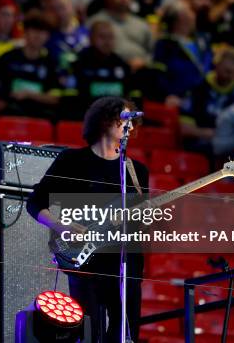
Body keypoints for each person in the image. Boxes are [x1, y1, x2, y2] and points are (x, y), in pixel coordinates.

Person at [27, 96, 148, 342]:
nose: (131, 127)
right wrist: (62, 227)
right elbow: (34, 202)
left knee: (124, 334)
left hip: (125, 265)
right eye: (125, 119)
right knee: (88, 334)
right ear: (105, 120)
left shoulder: (136, 171)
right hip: (85, 262)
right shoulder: (72, 161)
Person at [0, 10, 62, 119]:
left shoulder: (51, 63)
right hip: (10, 113)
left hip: (39, 116)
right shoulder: (8, 57)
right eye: (35, 30)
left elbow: (55, 98)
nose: (38, 35)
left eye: (43, 31)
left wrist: (28, 94)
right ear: (25, 32)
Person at [182, 48, 234, 154]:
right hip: (199, 147)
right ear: (216, 65)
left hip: (232, 149)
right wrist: (206, 133)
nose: (229, 76)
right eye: (227, 71)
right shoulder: (197, 88)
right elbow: (184, 129)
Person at [152, 1, 212, 105]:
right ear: (180, 18)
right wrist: (165, 95)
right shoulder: (165, 44)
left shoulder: (201, 41)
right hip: (177, 99)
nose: (194, 15)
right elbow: (158, 74)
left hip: (203, 97)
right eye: (190, 11)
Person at [71, 20, 131, 120]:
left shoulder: (122, 65)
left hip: (116, 116)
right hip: (86, 114)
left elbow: (128, 97)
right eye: (102, 37)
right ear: (90, 39)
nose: (107, 42)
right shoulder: (79, 64)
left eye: (110, 37)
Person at [87, 0, 153, 72]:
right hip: (108, 71)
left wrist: (144, 62)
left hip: (141, 71)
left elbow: (153, 52)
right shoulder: (95, 23)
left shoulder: (141, 24)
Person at [44, 0, 90, 73]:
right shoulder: (47, 37)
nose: (59, 13)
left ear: (72, 7)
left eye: (62, 7)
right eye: (55, 9)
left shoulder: (87, 33)